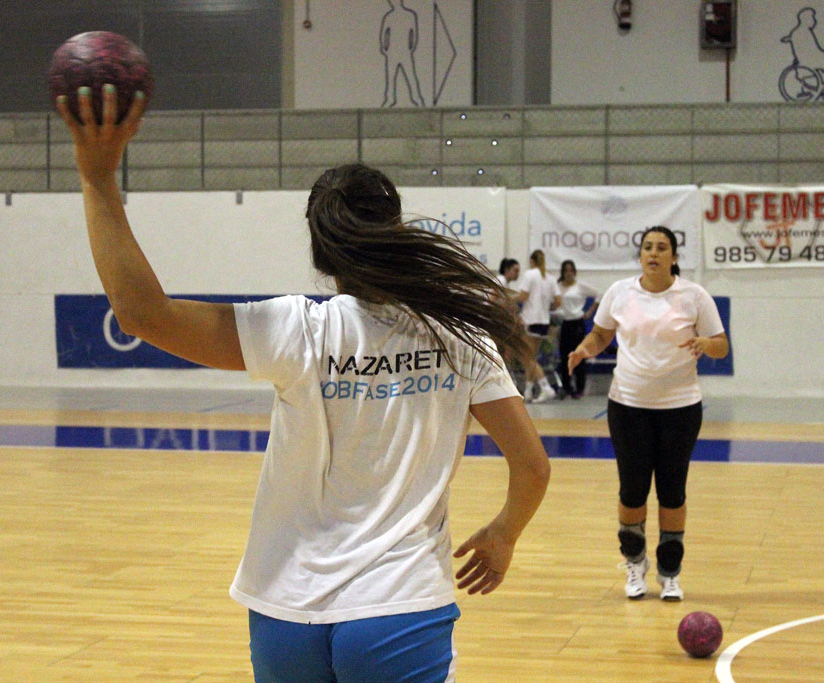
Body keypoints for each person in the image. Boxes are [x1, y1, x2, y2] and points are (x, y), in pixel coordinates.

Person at [56, 86, 550, 682]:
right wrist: (503, 534)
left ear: (321, 252)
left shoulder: (297, 329)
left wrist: (97, 179)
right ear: (394, 229)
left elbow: (141, 314)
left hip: (286, 608)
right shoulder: (461, 335)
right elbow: (532, 467)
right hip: (399, 604)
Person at [567, 226, 728, 601]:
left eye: (662, 247)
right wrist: (585, 348)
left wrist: (706, 343)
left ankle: (670, 572)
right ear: (640, 255)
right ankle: (635, 562)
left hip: (680, 408)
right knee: (632, 490)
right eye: (647, 247)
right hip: (627, 406)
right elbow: (601, 335)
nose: (653, 253)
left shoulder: (694, 296)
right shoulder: (620, 292)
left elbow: (721, 345)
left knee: (672, 492)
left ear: (674, 256)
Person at [516, 250, 561, 403]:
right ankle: (528, 391)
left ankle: (546, 388)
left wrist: (509, 298)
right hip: (544, 322)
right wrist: (545, 308)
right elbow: (558, 302)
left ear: (532, 261)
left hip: (531, 320)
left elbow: (523, 296)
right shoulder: (550, 278)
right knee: (532, 357)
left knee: (527, 358)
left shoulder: (530, 274)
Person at [555, 260, 600, 399]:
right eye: (566, 271)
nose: (568, 273)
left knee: (579, 355)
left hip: (578, 324)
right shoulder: (558, 286)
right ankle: (566, 387)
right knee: (564, 357)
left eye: (571, 271)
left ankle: (580, 388)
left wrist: (589, 312)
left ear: (574, 272)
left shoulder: (580, 286)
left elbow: (599, 295)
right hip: (565, 323)